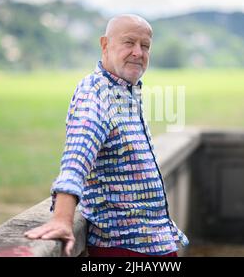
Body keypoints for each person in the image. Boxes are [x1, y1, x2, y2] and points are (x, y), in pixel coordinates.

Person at [24, 14, 188, 257]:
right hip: (124, 249)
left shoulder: (124, 90)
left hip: (151, 244)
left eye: (145, 46)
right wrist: (61, 219)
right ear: (105, 45)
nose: (138, 52)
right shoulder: (96, 94)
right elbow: (76, 160)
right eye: (129, 42)